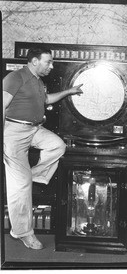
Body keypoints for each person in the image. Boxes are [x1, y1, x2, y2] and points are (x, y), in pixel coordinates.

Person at [3, 46, 83, 250]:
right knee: (21, 187)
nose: (52, 66)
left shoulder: (38, 81)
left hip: (34, 129)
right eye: (49, 62)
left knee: (57, 146)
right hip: (13, 132)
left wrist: (69, 91)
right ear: (35, 61)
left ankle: (34, 175)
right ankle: (23, 233)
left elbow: (47, 100)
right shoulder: (15, 77)